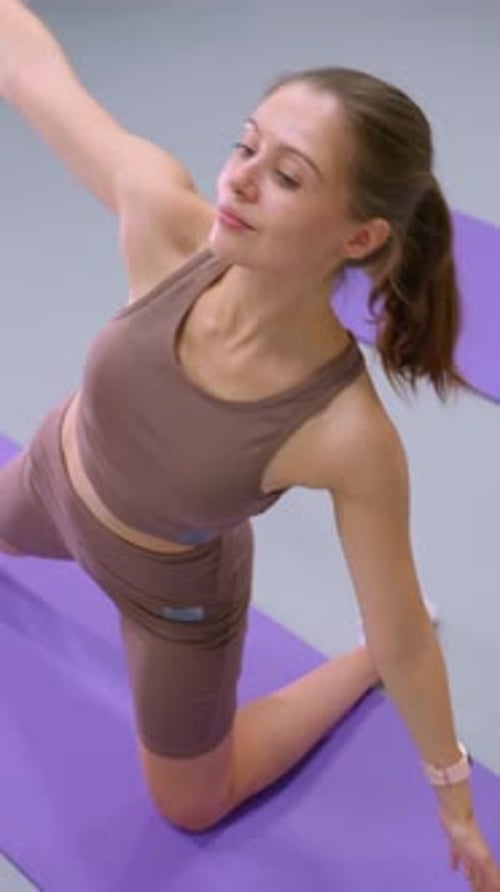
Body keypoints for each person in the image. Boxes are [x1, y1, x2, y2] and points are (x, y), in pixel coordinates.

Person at [1, 2, 499, 888]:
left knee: (191, 801)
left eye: (289, 176)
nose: (239, 180)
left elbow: (405, 633)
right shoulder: (162, 212)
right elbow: (37, 76)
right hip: (47, 484)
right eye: (246, 146)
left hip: (171, 601)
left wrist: (454, 800)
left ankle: (350, 674)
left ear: (359, 237)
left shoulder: (345, 432)